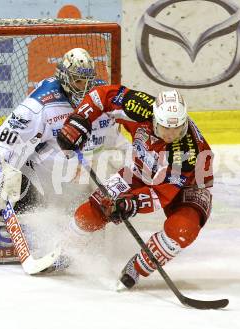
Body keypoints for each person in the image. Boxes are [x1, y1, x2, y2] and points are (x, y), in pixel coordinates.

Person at [56, 87, 213, 288]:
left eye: (178, 128)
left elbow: (161, 194)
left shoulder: (187, 152)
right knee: (94, 210)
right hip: (139, 172)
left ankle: (137, 268)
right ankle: (65, 251)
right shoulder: (138, 106)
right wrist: (78, 120)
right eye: (166, 127)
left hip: (190, 184)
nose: (172, 134)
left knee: (183, 229)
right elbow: (101, 96)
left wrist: (133, 203)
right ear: (154, 119)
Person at [0, 47, 126, 220]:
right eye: (79, 81)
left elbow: (123, 130)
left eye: (89, 81)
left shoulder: (104, 95)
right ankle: (12, 212)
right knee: (14, 177)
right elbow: (6, 141)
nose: (85, 88)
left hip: (79, 179)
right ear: (64, 78)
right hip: (43, 177)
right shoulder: (40, 104)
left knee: (112, 167)